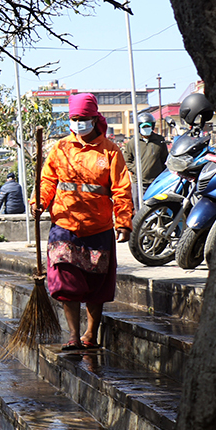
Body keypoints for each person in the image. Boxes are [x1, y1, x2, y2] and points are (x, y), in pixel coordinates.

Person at [36, 93, 133, 351]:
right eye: (75, 118)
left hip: (98, 227)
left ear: (94, 118)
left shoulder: (110, 151)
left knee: (96, 284)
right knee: (65, 281)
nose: (79, 123)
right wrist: (39, 202)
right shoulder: (60, 148)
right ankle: (73, 335)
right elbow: (47, 181)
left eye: (83, 118)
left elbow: (122, 189)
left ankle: (90, 334)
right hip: (64, 226)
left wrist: (124, 222)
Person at [121, 111, 169, 196]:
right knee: (138, 203)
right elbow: (126, 161)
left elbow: (165, 159)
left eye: (148, 126)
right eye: (144, 127)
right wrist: (136, 169)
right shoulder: (133, 142)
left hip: (156, 181)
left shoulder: (159, 141)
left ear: (152, 127)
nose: (146, 129)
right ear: (139, 127)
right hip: (139, 182)